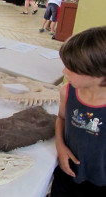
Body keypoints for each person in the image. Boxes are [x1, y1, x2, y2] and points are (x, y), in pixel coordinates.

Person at [51, 26, 106, 197]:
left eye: (71, 68)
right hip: (67, 172)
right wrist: (60, 145)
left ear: (99, 73)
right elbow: (61, 118)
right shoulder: (67, 91)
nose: (64, 71)